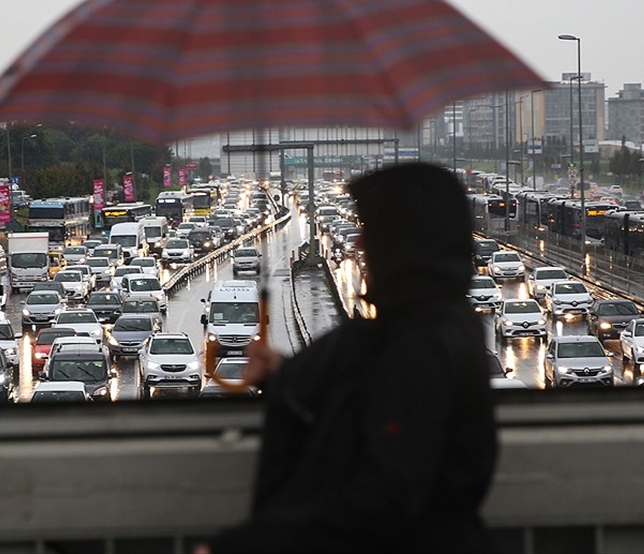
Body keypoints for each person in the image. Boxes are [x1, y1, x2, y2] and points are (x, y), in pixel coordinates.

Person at [200, 163, 497, 553]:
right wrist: (280, 374)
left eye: (370, 231)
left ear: (401, 243)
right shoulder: (420, 324)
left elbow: (383, 498)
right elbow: (359, 387)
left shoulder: (424, 346)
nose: (358, 244)